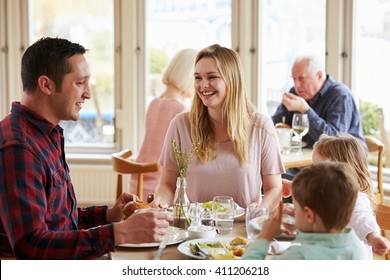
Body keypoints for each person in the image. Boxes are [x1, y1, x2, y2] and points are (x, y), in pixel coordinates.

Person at [0, 37, 172, 259]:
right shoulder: (20, 148)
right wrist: (119, 233)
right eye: (80, 83)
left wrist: (109, 215)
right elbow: (30, 246)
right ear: (46, 85)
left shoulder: (46, 134)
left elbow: (59, 221)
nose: (88, 93)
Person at [153, 44, 284, 210]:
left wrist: (261, 210)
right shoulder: (180, 125)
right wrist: (161, 202)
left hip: (243, 230)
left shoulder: (261, 127)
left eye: (212, 77)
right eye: (198, 78)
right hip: (195, 231)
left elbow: (274, 188)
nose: (203, 85)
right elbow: (166, 185)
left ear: (232, 80)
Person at [282, 134, 390, 258]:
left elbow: (360, 218)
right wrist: (293, 187)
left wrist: (373, 236)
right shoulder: (331, 194)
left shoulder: (354, 199)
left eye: (318, 167)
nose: (313, 172)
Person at [243, 161, 367, 260]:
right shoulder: (357, 248)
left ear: (309, 214)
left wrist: (264, 237)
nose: (293, 211)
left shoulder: (298, 257)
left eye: (295, 208)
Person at [272, 55, 366, 181]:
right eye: (294, 79)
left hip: (342, 168)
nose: (296, 85)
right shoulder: (296, 92)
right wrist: (283, 109)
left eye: (302, 78)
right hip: (309, 163)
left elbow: (333, 140)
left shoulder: (340, 95)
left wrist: (305, 110)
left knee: (284, 183)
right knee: (272, 177)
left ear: (319, 76)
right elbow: (277, 124)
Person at [129, 48, 198, 201]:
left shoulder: (154, 103)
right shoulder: (181, 110)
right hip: (159, 188)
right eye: (198, 77)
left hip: (136, 183)